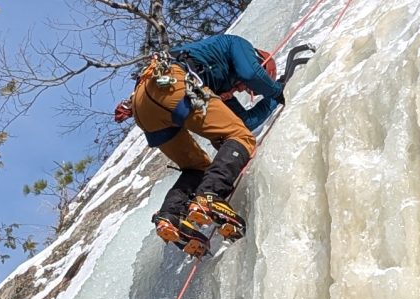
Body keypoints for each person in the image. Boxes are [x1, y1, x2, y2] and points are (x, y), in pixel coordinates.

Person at [114, 34, 306, 253]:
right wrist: (277, 89)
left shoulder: (217, 83)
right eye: (248, 88)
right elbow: (251, 73)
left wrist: (273, 98)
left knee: (197, 167)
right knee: (241, 139)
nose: (243, 89)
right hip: (172, 82)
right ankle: (209, 196)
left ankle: (171, 215)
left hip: (144, 106)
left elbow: (242, 122)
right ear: (257, 58)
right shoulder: (238, 44)